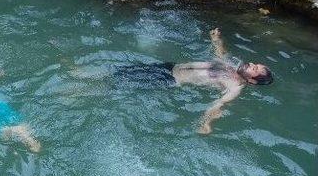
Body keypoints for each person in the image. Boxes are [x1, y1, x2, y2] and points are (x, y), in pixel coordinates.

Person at [113, 28, 273, 134]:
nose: (251, 64)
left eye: (255, 69)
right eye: (255, 64)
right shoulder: (231, 65)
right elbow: (220, 54)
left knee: (117, 83)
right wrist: (216, 39)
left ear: (252, 81)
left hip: (169, 79)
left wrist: (206, 123)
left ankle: (93, 83)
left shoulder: (235, 87)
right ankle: (93, 76)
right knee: (121, 71)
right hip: (170, 67)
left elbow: (219, 105)